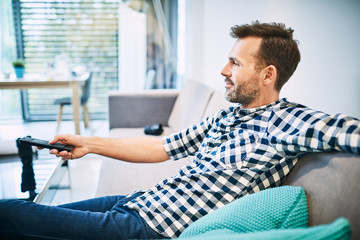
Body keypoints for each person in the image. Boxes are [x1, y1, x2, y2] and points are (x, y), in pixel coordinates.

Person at [1, 21, 359, 240]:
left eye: (235, 63)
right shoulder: (227, 116)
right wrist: (89, 144)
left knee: (10, 214)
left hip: (148, 231)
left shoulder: (286, 121)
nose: (223, 69)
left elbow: (348, 131)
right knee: (24, 222)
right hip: (135, 205)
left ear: (268, 75)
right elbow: (161, 148)